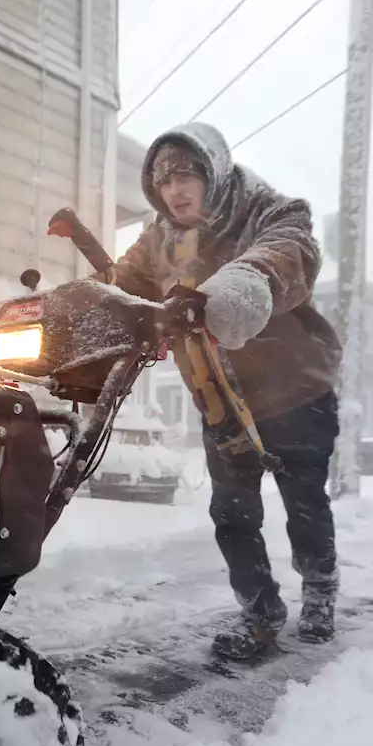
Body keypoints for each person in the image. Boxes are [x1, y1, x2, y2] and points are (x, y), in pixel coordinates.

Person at [102, 122, 344, 660]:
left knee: (303, 502)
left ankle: (321, 591)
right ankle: (260, 612)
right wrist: (89, 304)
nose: (175, 191)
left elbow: (287, 254)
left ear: (213, 172)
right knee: (233, 513)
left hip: (295, 389)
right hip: (220, 395)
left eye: (186, 175)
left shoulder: (269, 211)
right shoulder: (160, 237)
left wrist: (239, 287)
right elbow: (124, 285)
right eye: (163, 181)